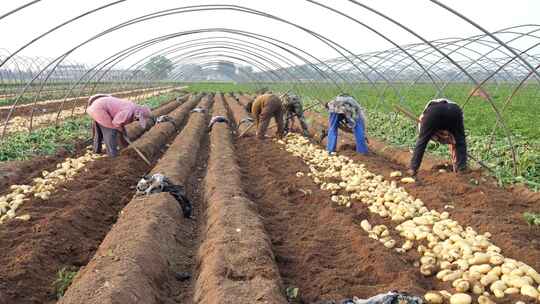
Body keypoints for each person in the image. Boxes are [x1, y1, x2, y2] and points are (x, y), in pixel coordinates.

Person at [409, 98, 467, 176]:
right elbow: (457, 138)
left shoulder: (426, 118)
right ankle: (461, 168)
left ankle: (413, 168)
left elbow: (423, 138)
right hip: (454, 111)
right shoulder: (455, 112)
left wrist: (447, 140)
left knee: (422, 141)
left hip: (434, 112)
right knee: (460, 141)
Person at [87, 94, 151, 157]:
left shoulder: (133, 108)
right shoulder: (128, 112)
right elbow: (116, 123)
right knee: (111, 132)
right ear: (137, 115)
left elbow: (120, 122)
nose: (137, 120)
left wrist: (122, 130)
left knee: (102, 130)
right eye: (138, 119)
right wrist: (120, 129)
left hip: (99, 106)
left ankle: (97, 150)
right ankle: (113, 156)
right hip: (99, 109)